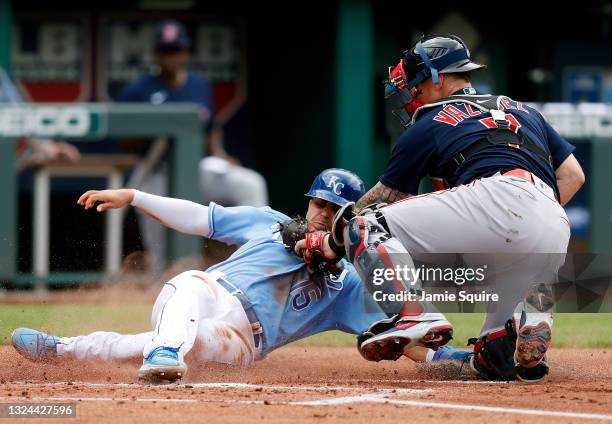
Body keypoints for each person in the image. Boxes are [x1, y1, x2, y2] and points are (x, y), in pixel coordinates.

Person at [295, 35, 584, 382]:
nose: (411, 96)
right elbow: (573, 175)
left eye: (414, 87)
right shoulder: (523, 110)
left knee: (365, 225)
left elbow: (386, 200)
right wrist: (527, 221)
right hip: (551, 223)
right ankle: (531, 317)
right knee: (494, 362)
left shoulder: (430, 121)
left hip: (495, 199)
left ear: (437, 78)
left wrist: (329, 237)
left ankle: (414, 315)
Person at [11, 169, 388, 383]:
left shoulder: (348, 283)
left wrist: (440, 357)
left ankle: (63, 349)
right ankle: (164, 351)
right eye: (318, 202)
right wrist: (136, 196)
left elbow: (398, 326)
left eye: (333, 207)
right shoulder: (271, 223)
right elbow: (199, 218)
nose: (322, 212)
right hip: (209, 294)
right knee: (191, 281)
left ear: (348, 216)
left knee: (187, 345)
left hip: (241, 343)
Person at [119, 19, 268, 272]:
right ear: (156, 53)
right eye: (166, 50)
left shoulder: (199, 85)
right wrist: (156, 128)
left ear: (186, 51)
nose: (172, 56)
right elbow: (124, 139)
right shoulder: (138, 89)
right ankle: (161, 279)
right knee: (155, 220)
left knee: (250, 183)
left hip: (196, 169)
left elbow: (211, 129)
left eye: (176, 49)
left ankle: (257, 262)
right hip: (157, 171)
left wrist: (220, 154)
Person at [0, 66, 80, 171]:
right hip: (19, 110)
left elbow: (20, 162)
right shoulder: (49, 136)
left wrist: (36, 152)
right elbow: (75, 155)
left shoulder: (46, 154)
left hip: (14, 115)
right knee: (5, 82)